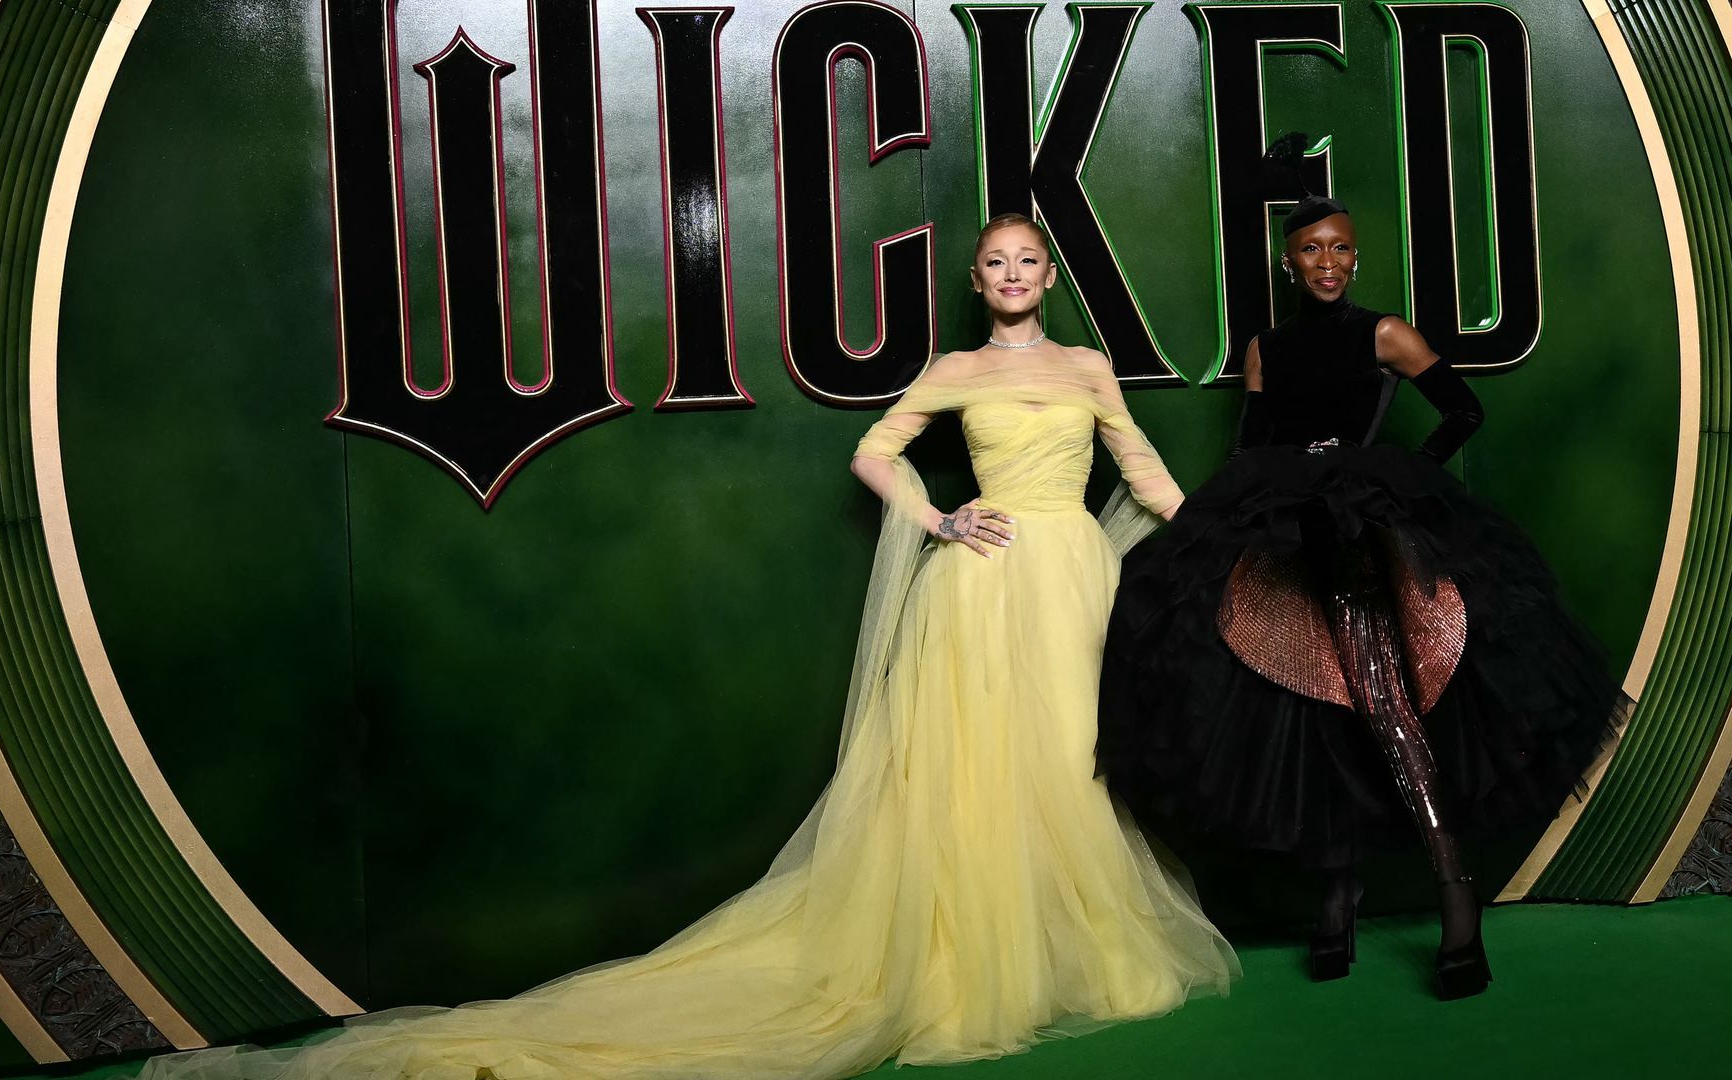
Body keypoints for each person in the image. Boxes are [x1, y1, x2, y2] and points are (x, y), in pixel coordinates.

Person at [139, 214, 1235, 1080]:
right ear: (980, 279)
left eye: (1024, 261)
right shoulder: (953, 370)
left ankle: (1061, 953)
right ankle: (981, 967)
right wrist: (943, 519)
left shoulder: (1091, 371)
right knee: (980, 776)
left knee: (1070, 762)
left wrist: (1216, 542)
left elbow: (1142, 475)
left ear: (1047, 275)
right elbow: (875, 455)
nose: (1008, 274)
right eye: (993, 261)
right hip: (989, 588)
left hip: (1070, 580)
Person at [1097, 165, 1622, 1001]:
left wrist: (1393, 478)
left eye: (1341, 248)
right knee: (1307, 702)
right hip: (1282, 532)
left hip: (1359, 534)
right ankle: (1338, 895)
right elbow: (1251, 448)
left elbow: (1463, 411)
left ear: (1356, 259)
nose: (1328, 262)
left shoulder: (1385, 334)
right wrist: (1238, 516)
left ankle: (1456, 899)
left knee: (1379, 694)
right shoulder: (1267, 349)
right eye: (1311, 250)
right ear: (1289, 264)